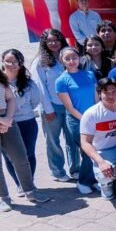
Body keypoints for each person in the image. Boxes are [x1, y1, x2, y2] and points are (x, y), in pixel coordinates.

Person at [0, 65, 48, 211]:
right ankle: (3, 198)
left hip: (7, 120)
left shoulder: (1, 77)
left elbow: (10, 99)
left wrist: (8, 119)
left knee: (21, 157)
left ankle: (30, 191)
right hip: (3, 121)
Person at [31, 29, 76, 181]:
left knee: (72, 139)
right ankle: (57, 171)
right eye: (49, 41)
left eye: (56, 40)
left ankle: (75, 169)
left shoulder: (69, 57)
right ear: (44, 43)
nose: (53, 43)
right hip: (52, 107)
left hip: (70, 107)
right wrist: (48, 110)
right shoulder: (40, 62)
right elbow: (40, 88)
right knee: (53, 141)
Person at [55, 46, 99, 194]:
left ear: (79, 58)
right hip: (76, 121)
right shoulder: (61, 81)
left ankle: (93, 180)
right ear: (62, 61)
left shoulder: (89, 74)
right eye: (67, 59)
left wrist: (98, 115)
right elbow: (69, 107)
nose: (71, 61)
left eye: (74, 57)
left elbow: (96, 97)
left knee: (96, 149)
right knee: (87, 150)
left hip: (94, 118)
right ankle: (83, 182)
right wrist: (86, 119)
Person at [79, 78, 116, 200]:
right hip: (104, 150)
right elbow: (85, 142)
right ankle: (105, 186)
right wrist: (101, 162)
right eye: (106, 92)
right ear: (99, 94)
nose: (110, 95)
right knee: (104, 174)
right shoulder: (91, 114)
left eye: (114, 91)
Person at [1, 49, 41, 194]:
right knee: (9, 156)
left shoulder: (28, 83)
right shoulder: (2, 82)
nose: (12, 64)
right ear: (3, 62)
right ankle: (19, 184)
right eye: (8, 61)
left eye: (15, 61)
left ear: (20, 63)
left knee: (28, 154)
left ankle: (29, 183)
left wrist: (22, 111)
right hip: (7, 124)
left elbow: (35, 101)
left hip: (26, 122)